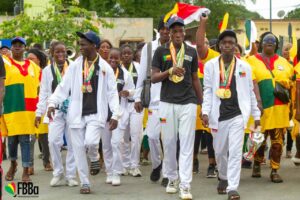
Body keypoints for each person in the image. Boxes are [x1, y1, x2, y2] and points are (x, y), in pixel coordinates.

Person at [47, 31, 119, 194]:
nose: (80, 48)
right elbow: (63, 87)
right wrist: (52, 103)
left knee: (91, 143)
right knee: (78, 149)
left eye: (83, 44)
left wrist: (115, 114)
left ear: (94, 46)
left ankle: (94, 157)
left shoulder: (105, 67)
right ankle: (85, 183)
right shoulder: (74, 66)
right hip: (76, 114)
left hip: (96, 113)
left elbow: (112, 93)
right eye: (80, 44)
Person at [202, 30, 261, 200]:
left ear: (235, 46)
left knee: (235, 152)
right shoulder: (210, 66)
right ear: (219, 46)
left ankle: (232, 188)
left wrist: (256, 115)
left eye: (231, 42)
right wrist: (205, 112)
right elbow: (207, 91)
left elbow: (250, 92)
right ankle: (223, 176)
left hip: (237, 115)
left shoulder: (245, 67)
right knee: (220, 152)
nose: (228, 45)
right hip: (217, 116)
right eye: (224, 42)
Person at [151, 17, 202, 199]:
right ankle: (172, 178)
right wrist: (169, 71)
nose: (178, 34)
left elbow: (195, 78)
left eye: (181, 31)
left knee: (187, 144)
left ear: (184, 32)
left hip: (188, 102)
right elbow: (154, 77)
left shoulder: (191, 52)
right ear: (169, 33)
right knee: (170, 143)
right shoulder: (160, 51)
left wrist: (201, 104)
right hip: (166, 102)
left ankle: (186, 185)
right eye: (174, 31)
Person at [247, 32, 293, 183]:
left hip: (280, 109)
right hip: (260, 108)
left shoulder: (284, 62)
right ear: (261, 44)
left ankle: (274, 170)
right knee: (259, 141)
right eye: (266, 40)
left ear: (276, 45)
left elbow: (291, 82)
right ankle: (257, 164)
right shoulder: (251, 60)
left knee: (277, 143)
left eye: (273, 40)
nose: (270, 42)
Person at [35, 41, 78, 187]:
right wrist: (39, 112)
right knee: (53, 141)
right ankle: (58, 172)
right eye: (57, 52)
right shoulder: (47, 70)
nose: (61, 54)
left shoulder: (74, 66)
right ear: (51, 53)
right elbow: (44, 93)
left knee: (73, 143)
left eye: (63, 51)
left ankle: (71, 175)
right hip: (54, 109)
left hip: (72, 109)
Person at [134, 15, 170, 185]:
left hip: (173, 99)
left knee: (169, 138)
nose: (165, 31)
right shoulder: (149, 48)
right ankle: (157, 164)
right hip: (154, 100)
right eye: (163, 27)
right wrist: (137, 97)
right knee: (153, 137)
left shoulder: (177, 48)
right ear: (159, 29)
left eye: (169, 28)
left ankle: (169, 173)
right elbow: (141, 74)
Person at [2, 37, 41, 182]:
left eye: (20, 45)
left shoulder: (33, 66)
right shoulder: (5, 63)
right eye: (14, 45)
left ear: (25, 48)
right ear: (11, 48)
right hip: (11, 107)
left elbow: (41, 85)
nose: (17, 47)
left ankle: (25, 170)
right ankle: (13, 164)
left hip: (29, 110)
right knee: (12, 141)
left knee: (26, 140)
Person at [103, 48, 135, 186]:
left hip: (119, 113)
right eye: (111, 57)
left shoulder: (125, 74)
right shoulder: (102, 72)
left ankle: (116, 172)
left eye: (116, 58)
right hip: (104, 113)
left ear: (120, 59)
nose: (113, 60)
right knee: (106, 145)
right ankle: (109, 172)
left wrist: (128, 92)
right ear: (107, 58)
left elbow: (133, 90)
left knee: (116, 143)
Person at [27, 48, 52, 175]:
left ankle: (46, 161)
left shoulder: (45, 72)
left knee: (44, 137)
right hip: (30, 108)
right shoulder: (24, 72)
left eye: (31, 58)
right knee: (30, 138)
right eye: (28, 58)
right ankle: (29, 165)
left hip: (42, 107)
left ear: (38, 60)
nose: (29, 60)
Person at [120, 44, 143, 177]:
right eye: (124, 53)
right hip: (123, 106)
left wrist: (131, 92)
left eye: (129, 53)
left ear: (132, 55)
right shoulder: (118, 68)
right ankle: (125, 164)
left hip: (136, 104)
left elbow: (142, 86)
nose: (126, 55)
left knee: (135, 136)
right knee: (123, 137)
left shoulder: (138, 67)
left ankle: (135, 165)